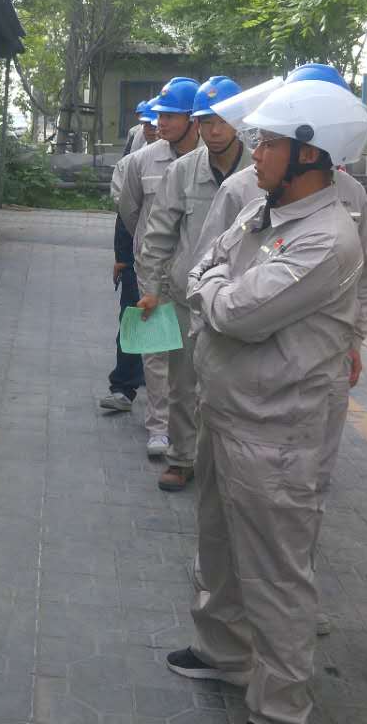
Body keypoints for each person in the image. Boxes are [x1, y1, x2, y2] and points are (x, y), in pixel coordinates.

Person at [164, 77, 367, 724]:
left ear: (309, 154)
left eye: (269, 143)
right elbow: (203, 268)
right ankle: (224, 651)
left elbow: (236, 312)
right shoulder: (264, 211)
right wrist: (217, 288)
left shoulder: (326, 238)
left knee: (276, 574)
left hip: (275, 429)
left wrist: (217, 290)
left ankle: (281, 703)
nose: (255, 152)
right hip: (228, 408)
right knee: (218, 545)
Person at [135, 76, 251, 492]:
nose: (213, 130)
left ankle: (226, 463)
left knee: (234, 386)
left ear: (238, 121)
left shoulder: (260, 171)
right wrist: (151, 288)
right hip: (187, 298)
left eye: (221, 121)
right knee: (182, 383)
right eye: (205, 122)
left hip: (242, 301)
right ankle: (182, 457)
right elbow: (158, 235)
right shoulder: (182, 172)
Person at [118, 76, 201, 455]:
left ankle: (190, 426)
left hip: (197, 274)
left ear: (192, 119)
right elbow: (129, 210)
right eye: (160, 115)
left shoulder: (209, 162)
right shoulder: (141, 161)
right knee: (156, 350)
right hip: (154, 270)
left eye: (170, 116)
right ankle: (159, 427)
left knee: (194, 353)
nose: (160, 122)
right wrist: (148, 252)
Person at [101, 102, 157, 413]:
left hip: (182, 263)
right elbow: (126, 212)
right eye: (148, 123)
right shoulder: (136, 160)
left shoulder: (195, 161)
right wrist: (123, 257)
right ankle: (124, 386)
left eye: (158, 122)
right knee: (134, 317)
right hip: (141, 257)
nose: (153, 128)